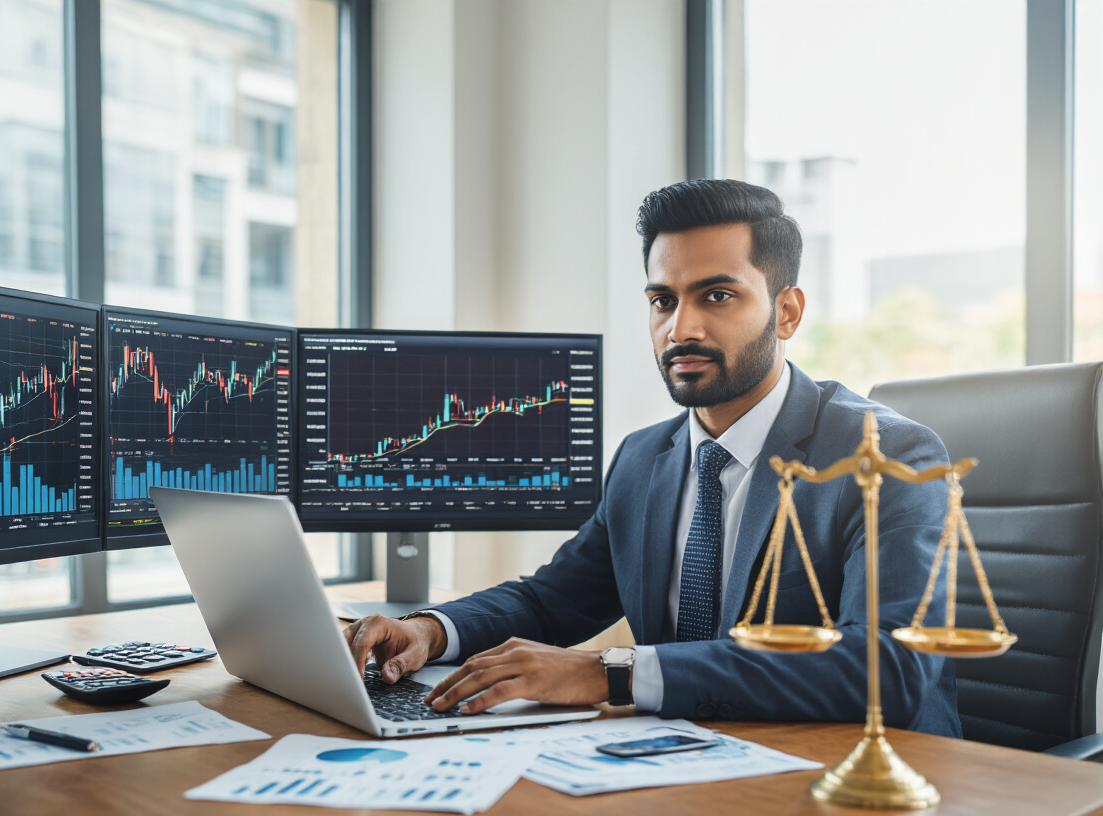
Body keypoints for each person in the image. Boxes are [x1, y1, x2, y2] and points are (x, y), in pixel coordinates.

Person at [343, 179, 961, 737]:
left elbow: (891, 666)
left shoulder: (887, 455)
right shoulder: (645, 458)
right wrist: (429, 631)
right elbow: (550, 602)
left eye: (717, 296)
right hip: (685, 761)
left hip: (856, 778)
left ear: (788, 311)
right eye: (662, 300)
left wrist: (611, 672)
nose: (680, 328)